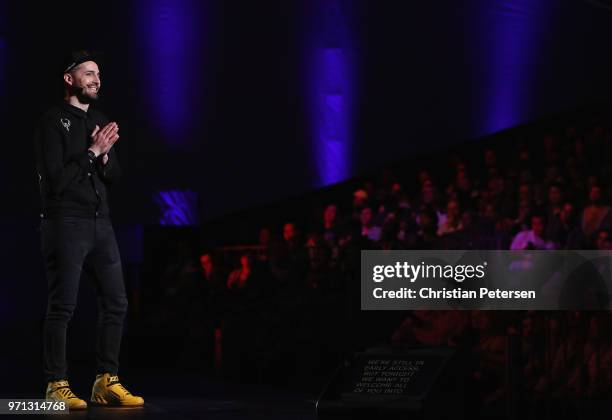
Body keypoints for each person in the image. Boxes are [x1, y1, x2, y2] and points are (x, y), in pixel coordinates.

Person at [35, 50, 143, 409]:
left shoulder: (98, 119)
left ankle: (105, 380)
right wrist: (94, 152)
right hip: (65, 222)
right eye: (89, 73)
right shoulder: (53, 121)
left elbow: (113, 177)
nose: (97, 79)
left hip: (101, 222)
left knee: (117, 302)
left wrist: (106, 156)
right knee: (63, 306)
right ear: (70, 79)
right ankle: (56, 384)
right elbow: (55, 182)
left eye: (99, 74)